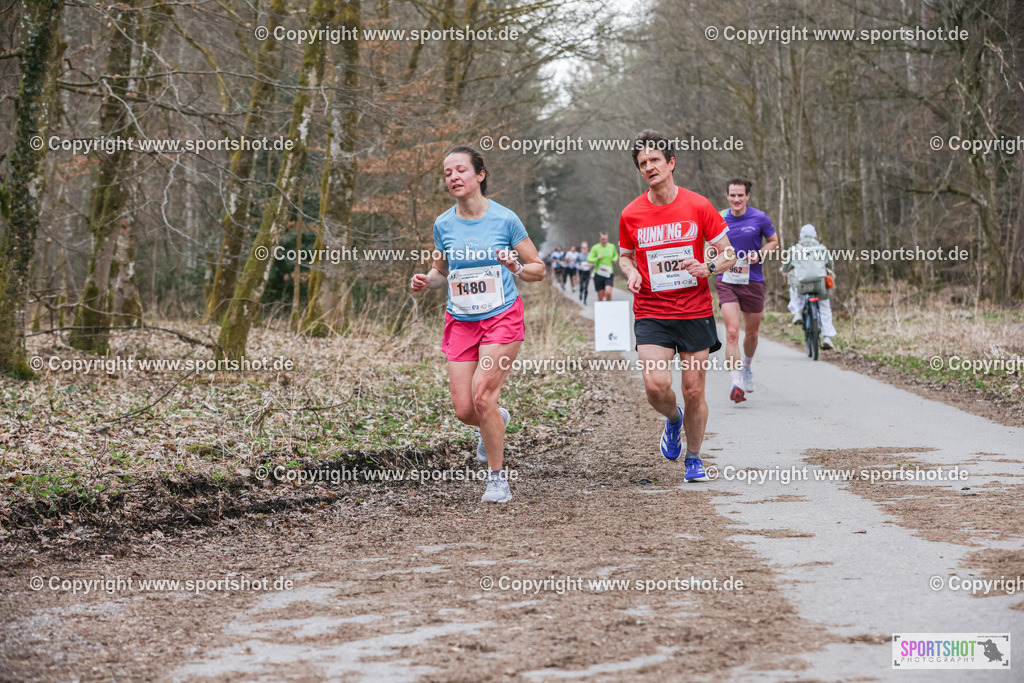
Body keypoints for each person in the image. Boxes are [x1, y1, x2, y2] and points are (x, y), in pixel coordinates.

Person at [411, 146, 545, 503]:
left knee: (482, 394)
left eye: (460, 170)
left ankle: (497, 480)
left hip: (501, 316)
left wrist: (516, 266)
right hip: (461, 321)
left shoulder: (505, 219)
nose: (453, 177)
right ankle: (496, 418)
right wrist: (426, 281)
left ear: (480, 175)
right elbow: (441, 272)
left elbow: (538, 269)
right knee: (465, 409)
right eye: (447, 173)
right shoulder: (443, 224)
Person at [618, 130, 736, 482]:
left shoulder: (698, 205)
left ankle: (694, 459)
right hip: (651, 311)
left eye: (655, 160)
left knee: (694, 390)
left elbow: (729, 253)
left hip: (694, 310)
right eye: (643, 163)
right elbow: (624, 256)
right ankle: (673, 419)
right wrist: (631, 272)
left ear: (671, 163)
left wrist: (708, 267)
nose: (649, 167)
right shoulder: (631, 214)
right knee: (656, 385)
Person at [715, 177, 779, 403]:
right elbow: (710, 246)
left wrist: (760, 254)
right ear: (727, 196)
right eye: (732, 195)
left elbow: (773, 242)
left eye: (740, 195)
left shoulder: (759, 217)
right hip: (727, 280)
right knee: (732, 332)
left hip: (753, 280)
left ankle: (747, 367)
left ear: (747, 196)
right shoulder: (719, 218)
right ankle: (736, 382)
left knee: (751, 334)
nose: (736, 199)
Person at [781, 224, 837, 349]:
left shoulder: (795, 249)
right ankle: (827, 337)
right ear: (815, 236)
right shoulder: (822, 249)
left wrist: (784, 271)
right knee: (825, 307)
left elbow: (786, 267)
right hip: (820, 286)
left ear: (800, 236)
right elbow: (830, 264)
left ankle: (798, 312)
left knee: (793, 286)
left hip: (802, 286)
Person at [588, 233, 618, 301]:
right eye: (602, 239)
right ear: (599, 239)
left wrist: (615, 259)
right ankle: (601, 306)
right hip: (599, 274)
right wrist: (597, 258)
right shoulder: (595, 248)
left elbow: (616, 255)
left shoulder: (611, 246)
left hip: (609, 273)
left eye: (605, 239)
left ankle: (608, 305)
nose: (604, 241)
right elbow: (589, 259)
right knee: (600, 296)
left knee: (608, 292)